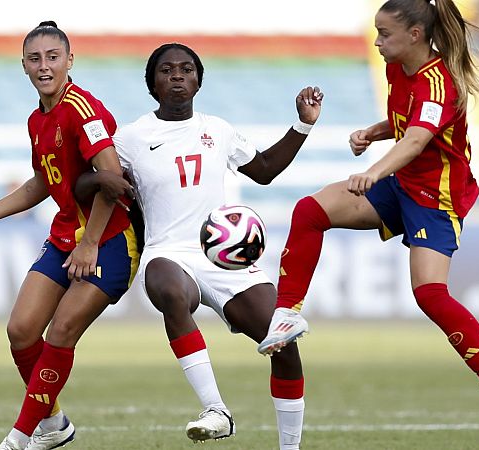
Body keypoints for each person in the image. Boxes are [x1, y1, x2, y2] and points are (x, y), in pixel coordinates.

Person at [257, 0, 479, 437]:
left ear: (415, 35)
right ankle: (287, 312)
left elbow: (419, 138)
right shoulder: (399, 67)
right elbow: (407, 122)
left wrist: (374, 170)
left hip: (436, 197)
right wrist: (374, 131)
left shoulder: (439, 83)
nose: (378, 42)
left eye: (385, 34)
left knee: (430, 294)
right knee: (310, 211)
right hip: (402, 185)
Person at [76, 43, 322, 450]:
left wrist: (303, 125)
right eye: (167, 70)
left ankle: (289, 448)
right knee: (170, 290)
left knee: (283, 341)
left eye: (187, 69)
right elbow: (82, 183)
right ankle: (216, 410)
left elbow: (263, 171)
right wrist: (102, 180)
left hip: (223, 256)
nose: (177, 76)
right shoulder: (133, 137)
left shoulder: (218, 130)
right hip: (167, 251)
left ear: (198, 81)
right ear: (152, 84)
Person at [0, 21, 137, 450]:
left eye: (53, 57)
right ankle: (53, 424)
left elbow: (112, 179)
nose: (44, 66)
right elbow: (42, 182)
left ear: (71, 60)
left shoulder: (82, 109)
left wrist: (91, 243)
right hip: (66, 235)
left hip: (110, 239)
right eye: (35, 59)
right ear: (23, 66)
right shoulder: (38, 119)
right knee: (20, 331)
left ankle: (17, 438)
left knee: (61, 330)